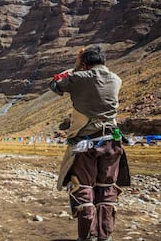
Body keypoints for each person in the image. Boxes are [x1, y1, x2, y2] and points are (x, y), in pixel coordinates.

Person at [49, 44, 130, 241]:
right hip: (112, 142)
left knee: (82, 189)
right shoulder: (116, 79)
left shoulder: (79, 77)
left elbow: (55, 84)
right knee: (107, 189)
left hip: (86, 144)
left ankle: (87, 237)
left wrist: (76, 66)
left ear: (85, 64)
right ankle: (105, 236)